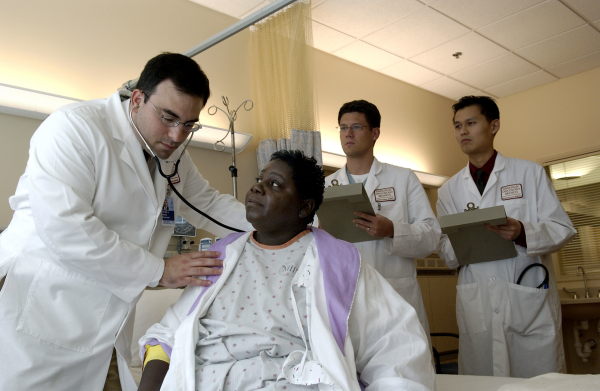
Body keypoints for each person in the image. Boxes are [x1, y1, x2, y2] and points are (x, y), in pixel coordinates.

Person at [0, 53, 252, 391]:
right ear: (137, 99)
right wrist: (160, 270)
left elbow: (205, 203)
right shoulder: (75, 128)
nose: (177, 135)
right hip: (45, 309)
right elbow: (67, 228)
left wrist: (278, 224)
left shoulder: (171, 154)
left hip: (107, 323)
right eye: (168, 117)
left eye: (189, 124)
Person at [137, 150, 435, 391]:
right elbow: (166, 335)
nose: (257, 187)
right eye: (259, 179)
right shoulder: (222, 257)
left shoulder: (337, 264)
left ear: (305, 208)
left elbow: (398, 349)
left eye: (275, 184)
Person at [436, 95, 576, 378]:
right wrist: (462, 243)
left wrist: (522, 232)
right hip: (479, 301)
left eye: (471, 123)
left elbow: (562, 228)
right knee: (485, 380)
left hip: (526, 298)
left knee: (539, 381)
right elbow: (445, 250)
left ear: (494, 125)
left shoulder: (529, 174)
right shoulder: (449, 190)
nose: (462, 131)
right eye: (457, 125)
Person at [322, 100, 441, 342]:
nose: (348, 134)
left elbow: (432, 236)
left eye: (356, 126)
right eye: (343, 128)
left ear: (375, 133)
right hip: (347, 296)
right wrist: (320, 232)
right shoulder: (326, 187)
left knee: (404, 369)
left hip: (395, 294)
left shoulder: (403, 178)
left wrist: (392, 231)